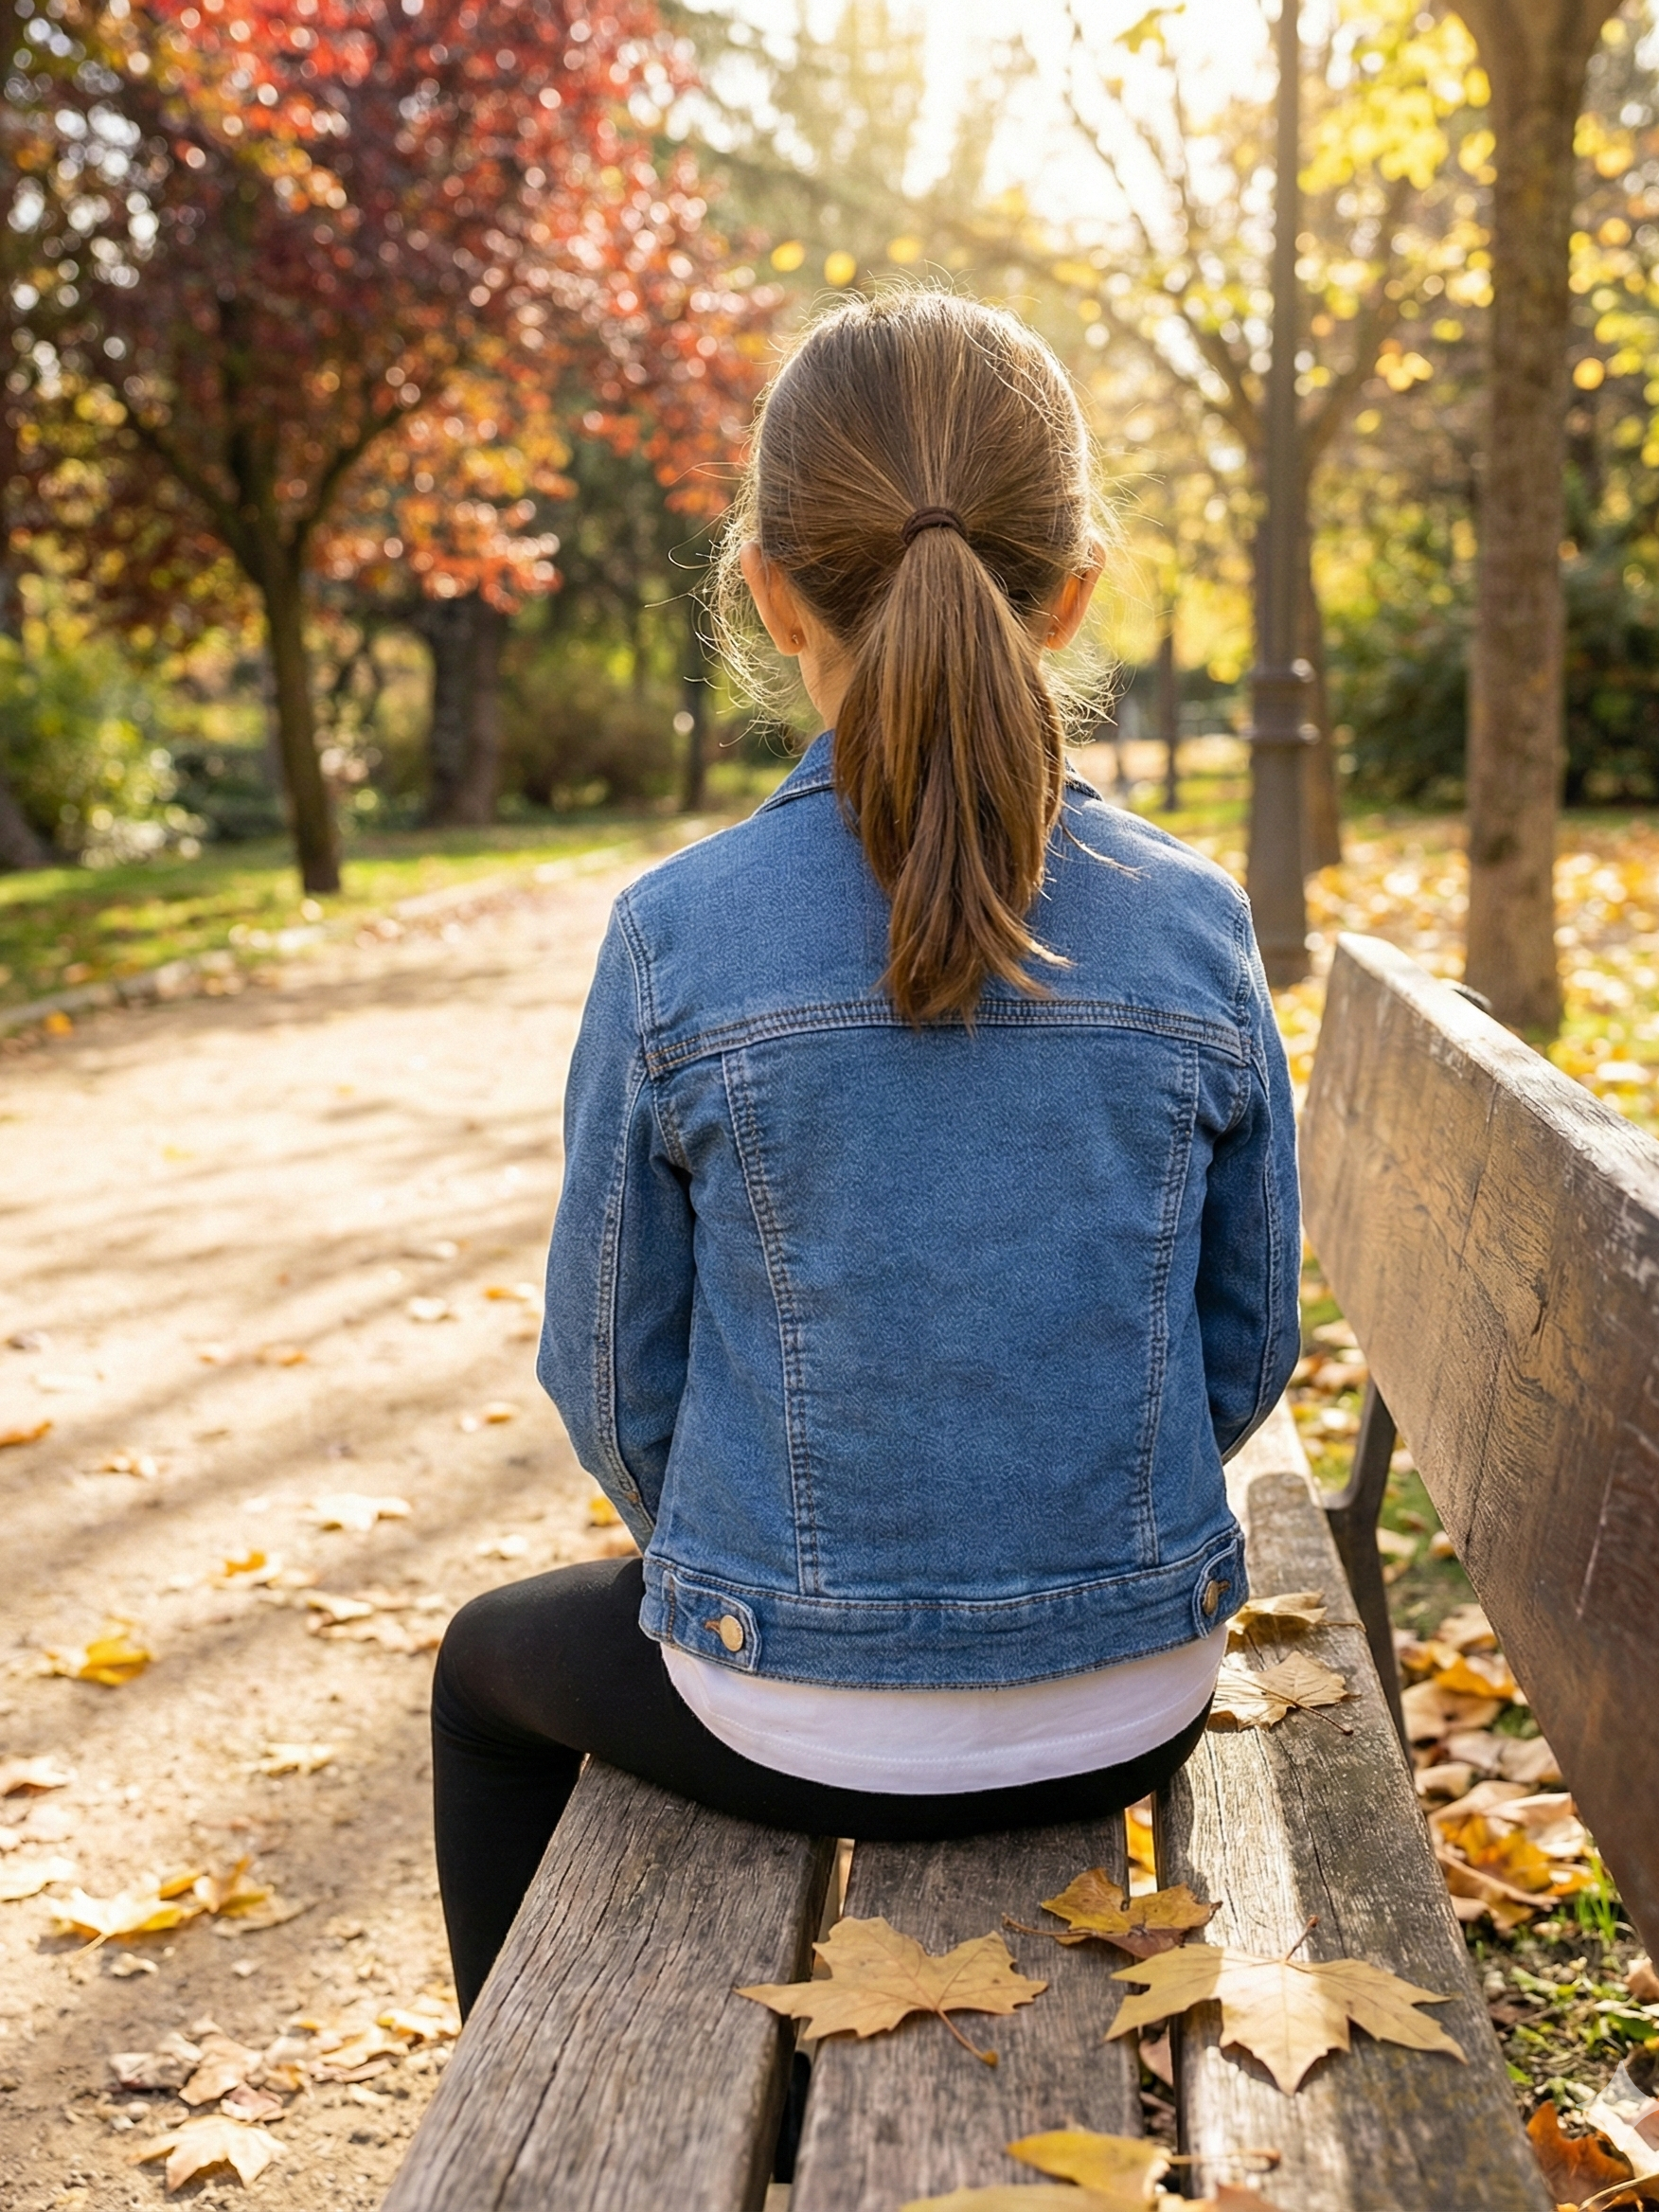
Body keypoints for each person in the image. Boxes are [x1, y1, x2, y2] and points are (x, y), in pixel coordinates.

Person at [431, 287, 1301, 2017]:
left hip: (784, 1703)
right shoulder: (1194, 924)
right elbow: (1248, 1342)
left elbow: (607, 1370)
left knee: (482, 1673)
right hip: (1135, 1690)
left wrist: (773, 1567)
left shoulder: (676, 932)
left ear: (765, 586)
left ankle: (524, 2115)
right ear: (1072, 591)